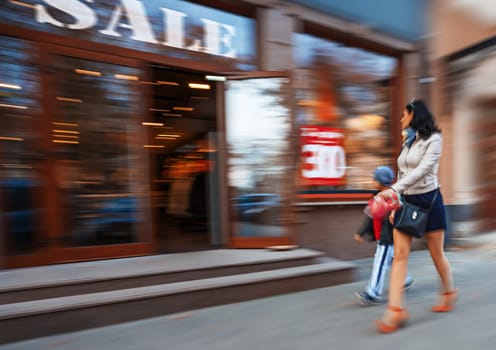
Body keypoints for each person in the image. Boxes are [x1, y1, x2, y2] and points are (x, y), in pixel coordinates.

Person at [375, 99, 457, 333]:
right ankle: (395, 310)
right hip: (406, 200)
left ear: (415, 115)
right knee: (400, 255)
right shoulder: (408, 139)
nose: (401, 119)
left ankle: (449, 292)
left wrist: (393, 190)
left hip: (430, 202)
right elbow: (402, 170)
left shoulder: (435, 139)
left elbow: (423, 170)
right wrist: (395, 201)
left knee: (436, 253)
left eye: (404, 114)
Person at [354, 166, 415, 306]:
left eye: (374, 178)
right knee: (392, 261)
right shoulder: (377, 196)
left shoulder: (393, 196)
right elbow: (370, 217)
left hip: (388, 237)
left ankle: (372, 293)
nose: (372, 180)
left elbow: (399, 213)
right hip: (385, 235)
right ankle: (405, 279)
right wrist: (361, 232)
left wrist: (394, 211)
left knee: (380, 263)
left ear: (379, 181)